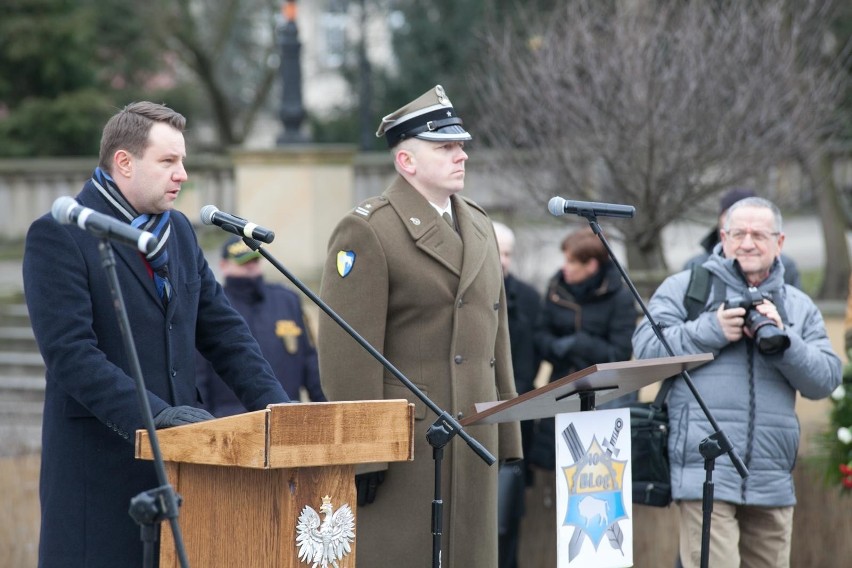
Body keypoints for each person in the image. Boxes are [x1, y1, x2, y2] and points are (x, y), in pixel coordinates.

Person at [22, 102, 290, 568]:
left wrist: (280, 410)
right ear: (124, 162)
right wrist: (160, 418)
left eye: (182, 161)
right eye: (168, 162)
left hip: (185, 474)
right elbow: (71, 356)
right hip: (101, 475)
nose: (182, 174)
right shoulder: (59, 235)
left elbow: (224, 332)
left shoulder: (179, 233)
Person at [317, 85, 522, 568]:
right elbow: (349, 350)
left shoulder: (478, 224)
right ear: (406, 161)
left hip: (475, 436)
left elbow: (496, 335)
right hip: (409, 446)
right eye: (444, 147)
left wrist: (507, 431)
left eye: (460, 145)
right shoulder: (369, 229)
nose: (461, 155)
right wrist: (364, 452)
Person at [632, 196, 841, 568]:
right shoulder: (685, 289)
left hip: (772, 477)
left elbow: (825, 380)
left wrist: (784, 339)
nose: (748, 242)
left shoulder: (798, 306)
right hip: (704, 471)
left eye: (759, 234)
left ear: (779, 243)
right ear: (723, 238)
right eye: (739, 233)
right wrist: (710, 329)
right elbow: (645, 351)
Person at [528, 226, 638, 470]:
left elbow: (618, 354)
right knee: (557, 470)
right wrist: (557, 347)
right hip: (560, 390)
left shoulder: (619, 297)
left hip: (604, 400)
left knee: (595, 471)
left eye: (572, 262)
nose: (564, 267)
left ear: (591, 265)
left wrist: (580, 344)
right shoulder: (556, 287)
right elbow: (540, 334)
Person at [197, 236, 325, 416]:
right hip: (230, 421)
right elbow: (198, 375)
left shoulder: (287, 301)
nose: (250, 266)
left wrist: (327, 408)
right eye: (242, 262)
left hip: (285, 414)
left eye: (254, 260)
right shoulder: (213, 306)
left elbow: (310, 364)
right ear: (224, 266)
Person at [492, 221, 542, 568]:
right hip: (476, 418)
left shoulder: (528, 298)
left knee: (508, 520)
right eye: (497, 252)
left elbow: (536, 354)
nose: (503, 260)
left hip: (517, 419)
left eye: (508, 253)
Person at [685, 187, 802, 288]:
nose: (747, 245)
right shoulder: (696, 266)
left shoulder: (785, 266)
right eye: (729, 213)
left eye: (758, 235)